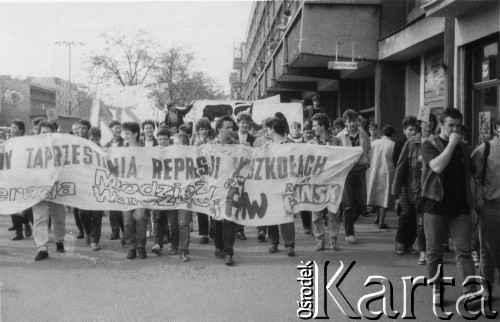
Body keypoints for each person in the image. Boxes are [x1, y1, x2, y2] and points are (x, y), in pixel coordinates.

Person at [419, 107, 477, 304]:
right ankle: (437, 288)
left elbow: (469, 178)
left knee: (464, 250)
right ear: (441, 125)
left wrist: (472, 206)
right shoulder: (429, 144)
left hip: (460, 207)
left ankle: (470, 290)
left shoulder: (464, 148)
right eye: (451, 125)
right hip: (435, 205)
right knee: (434, 251)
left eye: (458, 126)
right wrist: (452, 144)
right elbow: (436, 166)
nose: (455, 130)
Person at [392, 113, 437, 263]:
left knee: (421, 220)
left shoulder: (437, 142)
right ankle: (401, 241)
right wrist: (395, 190)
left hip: (429, 189)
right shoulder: (411, 142)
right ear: (421, 124)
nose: (428, 124)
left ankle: (412, 243)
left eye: (431, 121)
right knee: (407, 214)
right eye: (425, 121)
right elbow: (401, 166)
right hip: (409, 185)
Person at [471, 115, 500, 299]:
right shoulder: (485, 149)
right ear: (497, 128)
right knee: (487, 253)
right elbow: (474, 178)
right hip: (491, 209)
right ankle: (486, 291)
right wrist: (478, 203)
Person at [32, 121, 66, 261]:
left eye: (48, 132)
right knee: (40, 219)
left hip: (56, 189)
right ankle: (42, 248)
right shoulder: (31, 149)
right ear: (38, 133)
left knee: (58, 218)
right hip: (38, 189)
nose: (46, 135)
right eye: (43, 132)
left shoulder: (61, 148)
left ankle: (59, 240)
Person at [308, 113, 342, 251]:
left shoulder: (337, 142)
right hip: (316, 182)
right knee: (316, 212)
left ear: (323, 127)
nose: (313, 128)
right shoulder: (310, 143)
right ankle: (319, 240)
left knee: (334, 212)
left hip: (333, 182)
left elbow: (344, 157)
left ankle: (333, 239)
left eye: (315, 125)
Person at [336, 109, 371, 244]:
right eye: (349, 121)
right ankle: (349, 232)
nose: (352, 124)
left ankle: (347, 220)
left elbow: (368, 149)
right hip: (347, 172)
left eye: (354, 120)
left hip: (361, 170)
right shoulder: (339, 136)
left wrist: (368, 161)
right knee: (348, 204)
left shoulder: (364, 134)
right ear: (345, 123)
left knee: (361, 202)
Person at [210, 116, 239, 266]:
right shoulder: (210, 146)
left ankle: (228, 252)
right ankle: (218, 246)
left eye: (232, 127)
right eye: (227, 127)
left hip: (231, 187)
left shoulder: (236, 145)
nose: (230, 130)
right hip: (215, 187)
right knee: (217, 220)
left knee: (229, 219)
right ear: (219, 128)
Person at [266, 117, 296, 256]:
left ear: (273, 129)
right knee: (272, 213)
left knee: (286, 212)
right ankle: (274, 242)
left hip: (285, 183)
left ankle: (289, 244)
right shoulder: (268, 144)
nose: (267, 131)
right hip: (271, 183)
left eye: (268, 128)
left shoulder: (290, 143)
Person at [121, 122, 149, 260]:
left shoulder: (144, 151)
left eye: (128, 133)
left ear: (135, 134)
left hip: (141, 190)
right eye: (124, 133)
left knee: (140, 218)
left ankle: (141, 246)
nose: (125, 135)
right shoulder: (120, 151)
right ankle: (131, 247)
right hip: (125, 190)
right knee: (127, 220)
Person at [167, 133, 193, 262]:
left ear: (185, 145)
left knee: (183, 223)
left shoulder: (192, 159)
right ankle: (174, 244)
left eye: (177, 144)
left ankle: (184, 250)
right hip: (171, 194)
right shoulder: (167, 158)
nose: (174, 146)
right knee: (173, 223)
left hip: (185, 195)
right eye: (173, 143)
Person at [231, 112, 255, 241]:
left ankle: (240, 229)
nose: (245, 125)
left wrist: (250, 149)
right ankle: (235, 228)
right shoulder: (232, 135)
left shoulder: (253, 139)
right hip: (233, 172)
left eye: (247, 123)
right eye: (242, 122)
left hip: (247, 173)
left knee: (242, 201)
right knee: (233, 200)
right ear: (238, 123)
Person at [79, 127, 104, 251]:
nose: (94, 141)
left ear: (100, 139)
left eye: (97, 139)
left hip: (98, 186)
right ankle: (87, 232)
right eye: (92, 139)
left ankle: (94, 240)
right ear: (88, 138)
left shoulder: (103, 151)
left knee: (96, 214)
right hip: (84, 185)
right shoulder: (81, 150)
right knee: (83, 213)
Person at [367, 125, 396, 229]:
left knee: (376, 194)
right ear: (393, 134)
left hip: (374, 171)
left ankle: (377, 217)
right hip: (387, 172)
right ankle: (381, 221)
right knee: (384, 197)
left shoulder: (374, 143)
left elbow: (368, 156)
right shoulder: (393, 144)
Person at [151, 127, 173, 256]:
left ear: (169, 139)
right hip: (158, 188)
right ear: (157, 139)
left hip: (172, 187)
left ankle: (172, 242)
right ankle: (158, 243)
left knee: (171, 218)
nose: (163, 141)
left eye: (165, 139)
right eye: (160, 139)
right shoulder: (152, 151)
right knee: (158, 217)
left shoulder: (175, 151)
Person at [9, 120, 33, 241]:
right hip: (12, 178)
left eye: (14, 128)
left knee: (26, 206)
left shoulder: (27, 143)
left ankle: (27, 222)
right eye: (11, 127)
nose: (12, 130)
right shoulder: (8, 142)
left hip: (25, 178)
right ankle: (19, 232)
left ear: (21, 130)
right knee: (13, 205)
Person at [103, 121, 125, 244]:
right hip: (111, 177)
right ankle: (114, 230)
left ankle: (123, 230)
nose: (118, 129)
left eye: (119, 127)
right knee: (112, 206)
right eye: (116, 127)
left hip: (122, 176)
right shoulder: (107, 144)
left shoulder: (125, 143)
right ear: (111, 129)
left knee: (121, 206)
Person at [193, 118, 214, 244]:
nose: (204, 131)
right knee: (201, 204)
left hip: (211, 176)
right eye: (202, 129)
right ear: (198, 131)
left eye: (206, 129)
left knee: (212, 203)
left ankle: (214, 229)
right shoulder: (193, 142)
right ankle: (204, 233)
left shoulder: (213, 142)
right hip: (199, 176)